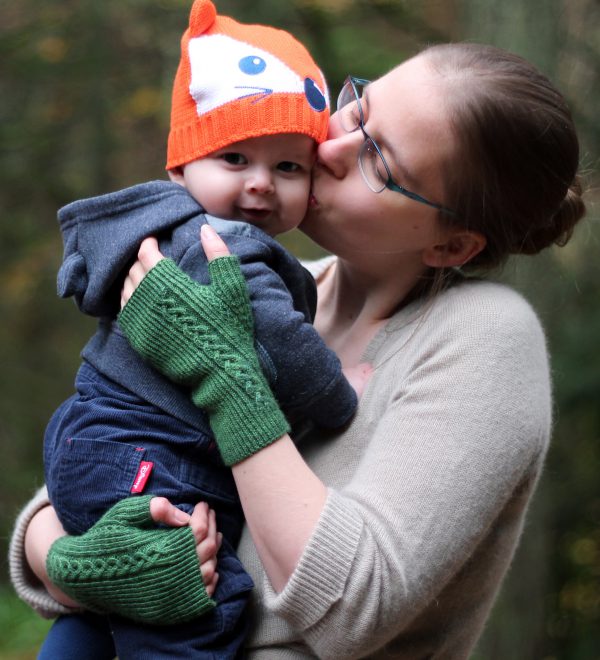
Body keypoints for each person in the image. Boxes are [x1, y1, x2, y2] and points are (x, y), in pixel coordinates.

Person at [10, 41, 586, 659]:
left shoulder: (483, 338)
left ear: (450, 247)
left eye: (379, 162)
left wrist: (226, 380)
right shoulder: (270, 283)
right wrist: (81, 566)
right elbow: (87, 473)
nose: (330, 148)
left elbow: (353, 608)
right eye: (358, 110)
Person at [16, 1, 361, 658]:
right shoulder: (223, 248)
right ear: (181, 168)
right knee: (200, 613)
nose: (261, 185)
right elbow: (287, 352)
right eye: (235, 158)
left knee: (101, 622)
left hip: (96, 446)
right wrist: (342, 400)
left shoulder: (158, 233)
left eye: (288, 167)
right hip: (155, 459)